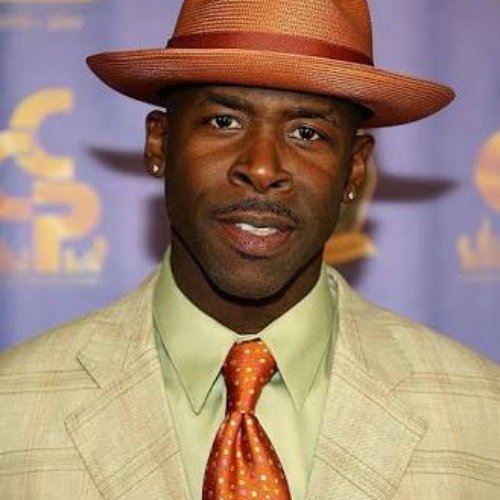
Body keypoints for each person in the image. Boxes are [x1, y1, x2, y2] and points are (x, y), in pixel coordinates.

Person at [1, 0, 500, 498]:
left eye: (307, 132)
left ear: (354, 169)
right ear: (159, 143)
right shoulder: (13, 407)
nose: (262, 168)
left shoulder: (482, 412)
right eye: (224, 122)